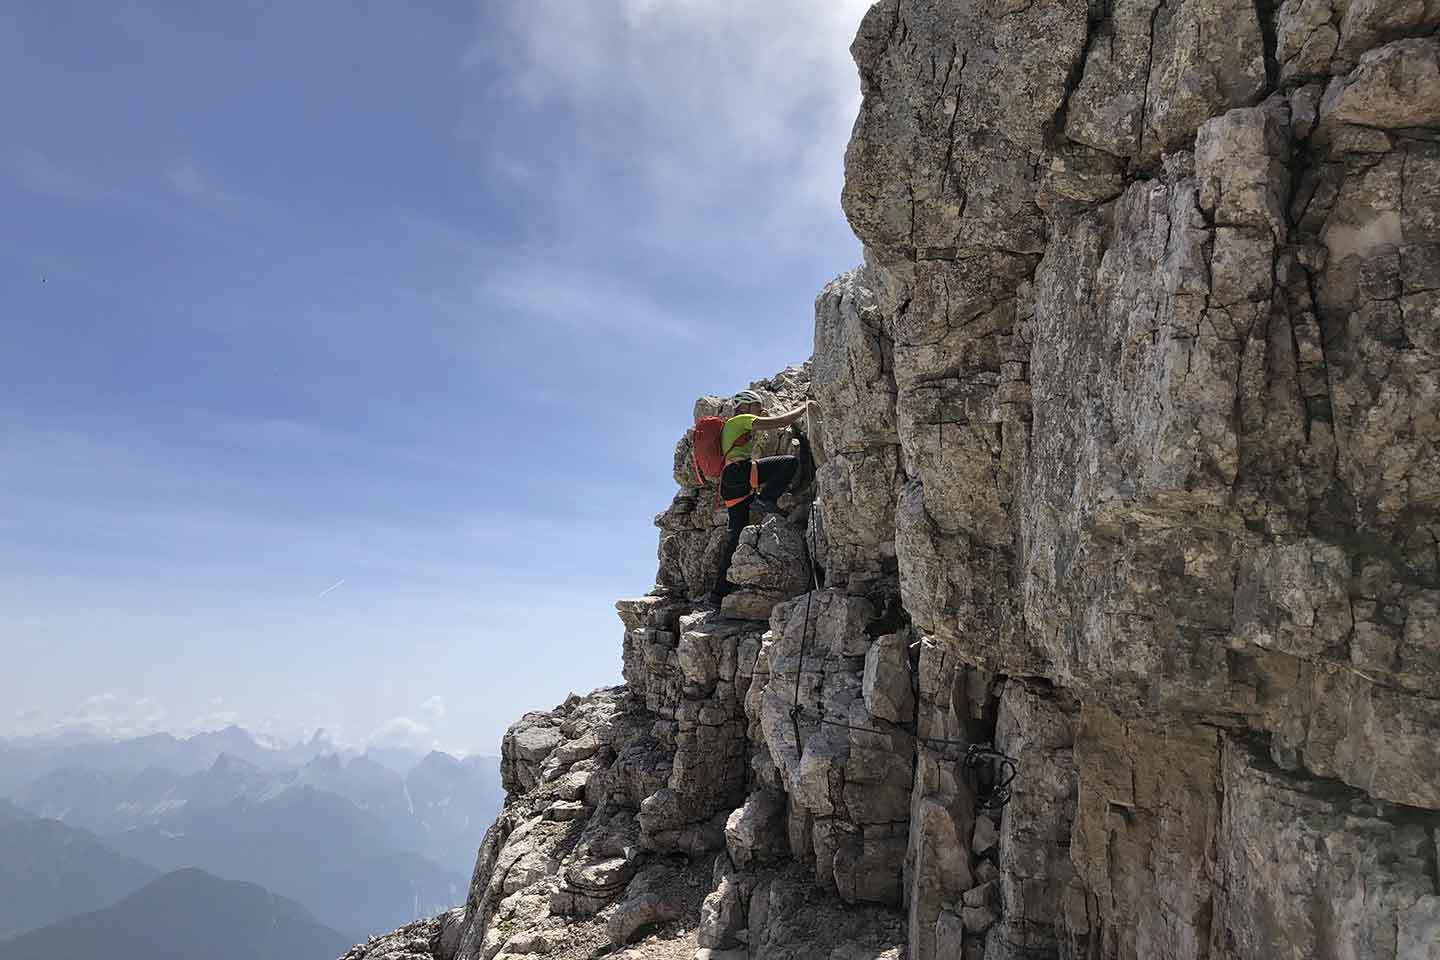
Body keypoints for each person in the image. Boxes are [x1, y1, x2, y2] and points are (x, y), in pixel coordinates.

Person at [709, 389, 812, 606]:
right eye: (757, 406)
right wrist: (804, 407)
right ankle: (766, 498)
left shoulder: (732, 425)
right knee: (789, 463)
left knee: (735, 536)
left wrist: (760, 414)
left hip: (730, 482)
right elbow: (781, 422)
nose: (760, 410)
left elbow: (761, 422)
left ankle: (718, 594)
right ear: (746, 405)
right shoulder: (741, 419)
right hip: (741, 472)